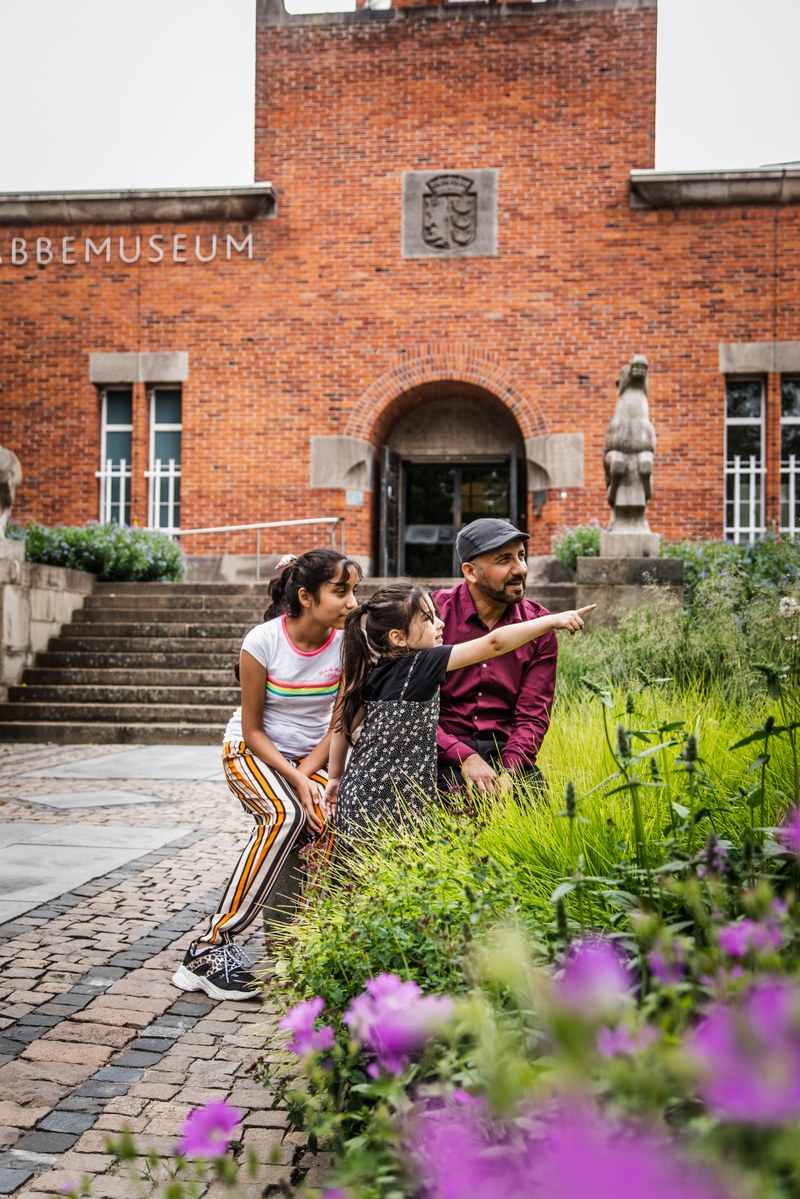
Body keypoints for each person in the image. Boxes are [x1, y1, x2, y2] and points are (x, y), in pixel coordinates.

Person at [172, 548, 361, 1001]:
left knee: (330, 819)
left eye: (354, 590)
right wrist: (297, 781)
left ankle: (300, 947)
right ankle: (209, 947)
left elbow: (339, 725)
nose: (353, 602)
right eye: (341, 592)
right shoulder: (262, 642)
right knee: (286, 816)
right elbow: (254, 730)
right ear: (306, 596)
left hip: (310, 759)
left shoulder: (347, 643)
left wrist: (310, 776)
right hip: (253, 752)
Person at [324, 580, 592, 840]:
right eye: (429, 619)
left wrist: (334, 779)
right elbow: (494, 644)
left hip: (357, 794)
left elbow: (340, 728)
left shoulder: (371, 669)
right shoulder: (423, 663)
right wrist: (552, 621)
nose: (440, 624)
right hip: (398, 798)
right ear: (398, 637)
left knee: (367, 879)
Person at [434, 518, 559, 792]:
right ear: (471, 572)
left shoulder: (538, 625)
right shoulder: (432, 614)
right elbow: (411, 707)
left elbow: (533, 714)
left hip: (505, 753)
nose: (521, 569)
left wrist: (511, 771)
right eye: (505, 560)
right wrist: (463, 756)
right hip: (439, 751)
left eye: (521, 556)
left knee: (533, 812)